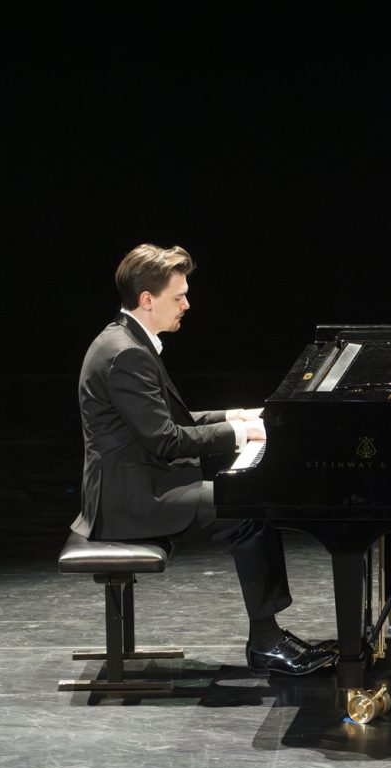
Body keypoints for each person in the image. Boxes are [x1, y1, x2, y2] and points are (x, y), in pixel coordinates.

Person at [70, 243, 335, 677]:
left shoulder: (124, 341)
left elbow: (164, 422)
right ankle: (266, 642)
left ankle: (268, 638)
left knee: (246, 507)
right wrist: (242, 434)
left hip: (136, 488)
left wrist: (236, 416)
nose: (187, 305)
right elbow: (165, 440)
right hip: (131, 502)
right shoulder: (127, 354)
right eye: (178, 297)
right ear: (147, 299)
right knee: (247, 513)